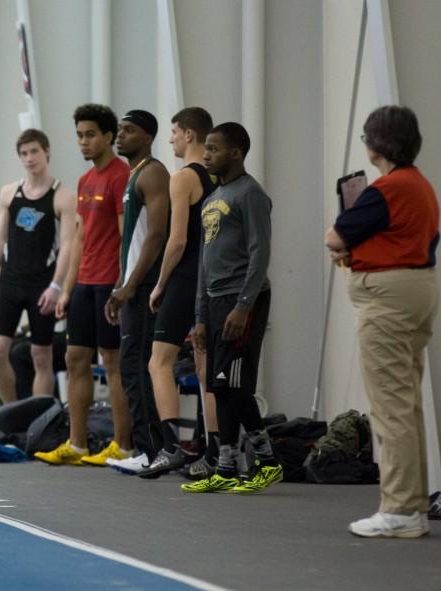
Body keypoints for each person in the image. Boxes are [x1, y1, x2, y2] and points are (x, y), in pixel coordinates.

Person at [325, 106, 439, 538]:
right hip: (418, 289)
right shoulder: (420, 185)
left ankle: (400, 509)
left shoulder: (386, 189)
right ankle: (414, 505)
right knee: (406, 403)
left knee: (390, 407)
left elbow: (336, 235)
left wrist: (342, 247)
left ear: (375, 145)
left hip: (387, 297)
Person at [182, 123, 283, 495]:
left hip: (243, 299)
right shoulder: (212, 199)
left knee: (234, 384)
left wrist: (244, 305)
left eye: (213, 149)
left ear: (236, 152)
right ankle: (225, 465)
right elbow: (204, 264)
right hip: (214, 299)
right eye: (205, 148)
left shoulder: (251, 194)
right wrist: (199, 316)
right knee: (219, 386)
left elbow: (260, 253)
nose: (206, 155)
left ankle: (268, 462)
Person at [35, 104, 132, 467]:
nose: (84, 142)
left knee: (112, 362)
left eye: (90, 134)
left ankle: (123, 445)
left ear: (109, 137)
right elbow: (78, 239)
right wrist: (66, 288)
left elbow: (126, 238)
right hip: (85, 283)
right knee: (75, 359)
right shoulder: (85, 181)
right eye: (79, 135)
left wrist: (123, 286)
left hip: (110, 282)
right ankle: (77, 444)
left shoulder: (121, 176)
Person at [137, 107, 221, 479]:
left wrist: (159, 284)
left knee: (159, 361)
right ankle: (217, 450)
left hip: (186, 276)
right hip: (213, 280)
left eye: (173, 132)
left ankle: (171, 446)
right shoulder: (219, 176)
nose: (169, 138)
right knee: (205, 370)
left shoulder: (183, 178)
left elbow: (177, 240)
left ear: (189, 135)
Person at [0, 129, 75, 404]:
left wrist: (57, 286)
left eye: (34, 151)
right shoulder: (9, 193)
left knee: (41, 356)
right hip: (10, 280)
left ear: (46, 152)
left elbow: (69, 245)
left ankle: (38, 423)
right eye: (24, 153)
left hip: (42, 284)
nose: (30, 158)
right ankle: (12, 413)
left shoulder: (63, 196)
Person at [102, 110, 170, 476]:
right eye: (121, 130)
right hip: (132, 282)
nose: (120, 136)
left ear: (147, 136)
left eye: (128, 131)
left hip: (145, 285)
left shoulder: (154, 172)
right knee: (131, 364)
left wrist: (131, 286)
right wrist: (120, 285)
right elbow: (133, 241)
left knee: (137, 364)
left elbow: (157, 236)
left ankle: (151, 448)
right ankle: (149, 446)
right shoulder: (134, 175)